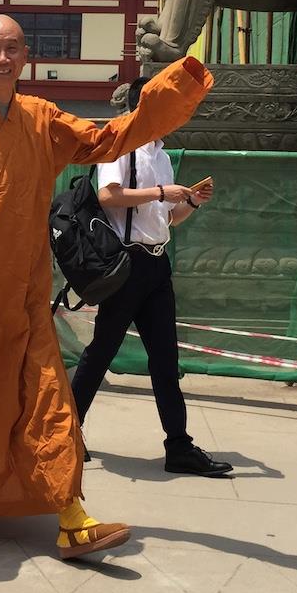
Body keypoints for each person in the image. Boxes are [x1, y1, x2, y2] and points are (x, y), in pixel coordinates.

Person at [0, 15, 212, 560]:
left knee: (47, 398)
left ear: (24, 56)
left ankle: (73, 517)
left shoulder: (40, 118)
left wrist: (178, 85)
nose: (2, 58)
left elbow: (108, 138)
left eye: (12, 48)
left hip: (24, 293)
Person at [70, 77, 233, 477]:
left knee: (165, 357)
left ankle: (178, 445)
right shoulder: (119, 142)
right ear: (147, 105)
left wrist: (190, 200)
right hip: (127, 264)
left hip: (157, 264)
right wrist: (162, 192)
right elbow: (108, 196)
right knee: (101, 351)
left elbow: (168, 221)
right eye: (168, 106)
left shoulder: (160, 153)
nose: (175, 115)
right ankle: (66, 432)